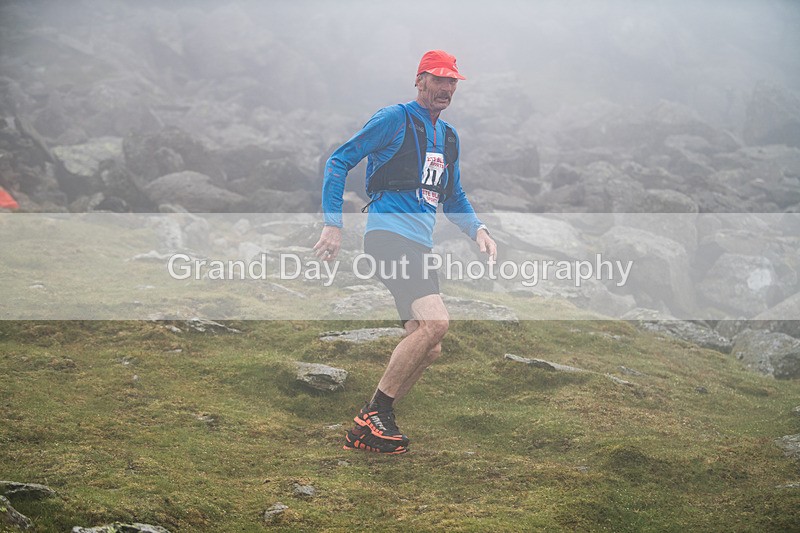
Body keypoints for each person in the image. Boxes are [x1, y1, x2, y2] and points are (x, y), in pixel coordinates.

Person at [314, 50, 497, 454]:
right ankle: (375, 414)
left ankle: (372, 425)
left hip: (419, 244)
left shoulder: (448, 137)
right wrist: (333, 222)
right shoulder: (393, 119)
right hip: (388, 236)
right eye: (438, 80)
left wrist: (478, 229)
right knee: (437, 322)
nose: (445, 88)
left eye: (452, 82)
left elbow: (455, 195)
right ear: (420, 81)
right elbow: (339, 161)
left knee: (429, 345)